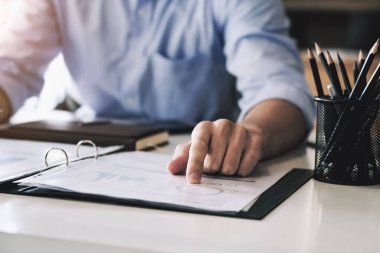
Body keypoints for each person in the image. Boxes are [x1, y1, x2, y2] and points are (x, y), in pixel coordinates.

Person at [0, 0, 314, 183]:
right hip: (88, 151)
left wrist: (251, 133)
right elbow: (11, 68)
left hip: (200, 159)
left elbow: (279, 87)